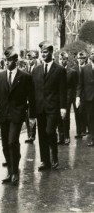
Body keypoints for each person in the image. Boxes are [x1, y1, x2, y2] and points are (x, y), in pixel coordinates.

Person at [0, 46, 36, 185]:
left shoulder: (25, 77)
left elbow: (31, 98)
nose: (7, 63)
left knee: (12, 141)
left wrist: (32, 116)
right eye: (5, 60)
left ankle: (14, 172)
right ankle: (10, 169)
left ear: (16, 60)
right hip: (4, 115)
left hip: (18, 114)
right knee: (5, 144)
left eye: (9, 60)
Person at [32, 41, 67, 171]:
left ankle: (55, 156)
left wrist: (63, 108)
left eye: (45, 52)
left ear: (51, 53)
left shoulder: (60, 70)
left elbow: (62, 90)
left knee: (50, 131)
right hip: (40, 108)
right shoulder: (36, 70)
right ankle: (45, 161)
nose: (43, 54)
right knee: (41, 134)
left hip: (53, 107)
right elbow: (33, 91)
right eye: (42, 52)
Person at [57, 51, 78, 145]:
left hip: (68, 97)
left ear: (67, 60)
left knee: (65, 117)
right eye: (60, 59)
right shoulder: (56, 71)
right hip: (57, 97)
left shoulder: (72, 72)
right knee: (58, 117)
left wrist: (73, 98)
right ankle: (60, 137)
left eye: (64, 59)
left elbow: (75, 86)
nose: (62, 61)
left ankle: (66, 136)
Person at [76, 48, 94, 146]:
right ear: (90, 56)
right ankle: (92, 137)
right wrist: (78, 97)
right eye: (92, 53)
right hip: (89, 97)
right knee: (90, 118)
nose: (93, 55)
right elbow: (80, 84)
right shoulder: (84, 68)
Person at [24, 50, 39, 144]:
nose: (29, 60)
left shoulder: (38, 69)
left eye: (31, 58)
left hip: (36, 97)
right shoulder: (25, 70)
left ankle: (33, 135)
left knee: (34, 116)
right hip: (27, 97)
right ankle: (30, 135)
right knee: (27, 117)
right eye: (28, 59)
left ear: (35, 59)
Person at [74, 50, 88, 138]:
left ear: (85, 59)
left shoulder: (88, 67)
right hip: (76, 94)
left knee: (84, 112)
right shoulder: (74, 69)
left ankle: (84, 130)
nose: (80, 60)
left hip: (86, 94)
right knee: (77, 113)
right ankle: (79, 132)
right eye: (79, 58)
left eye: (82, 58)